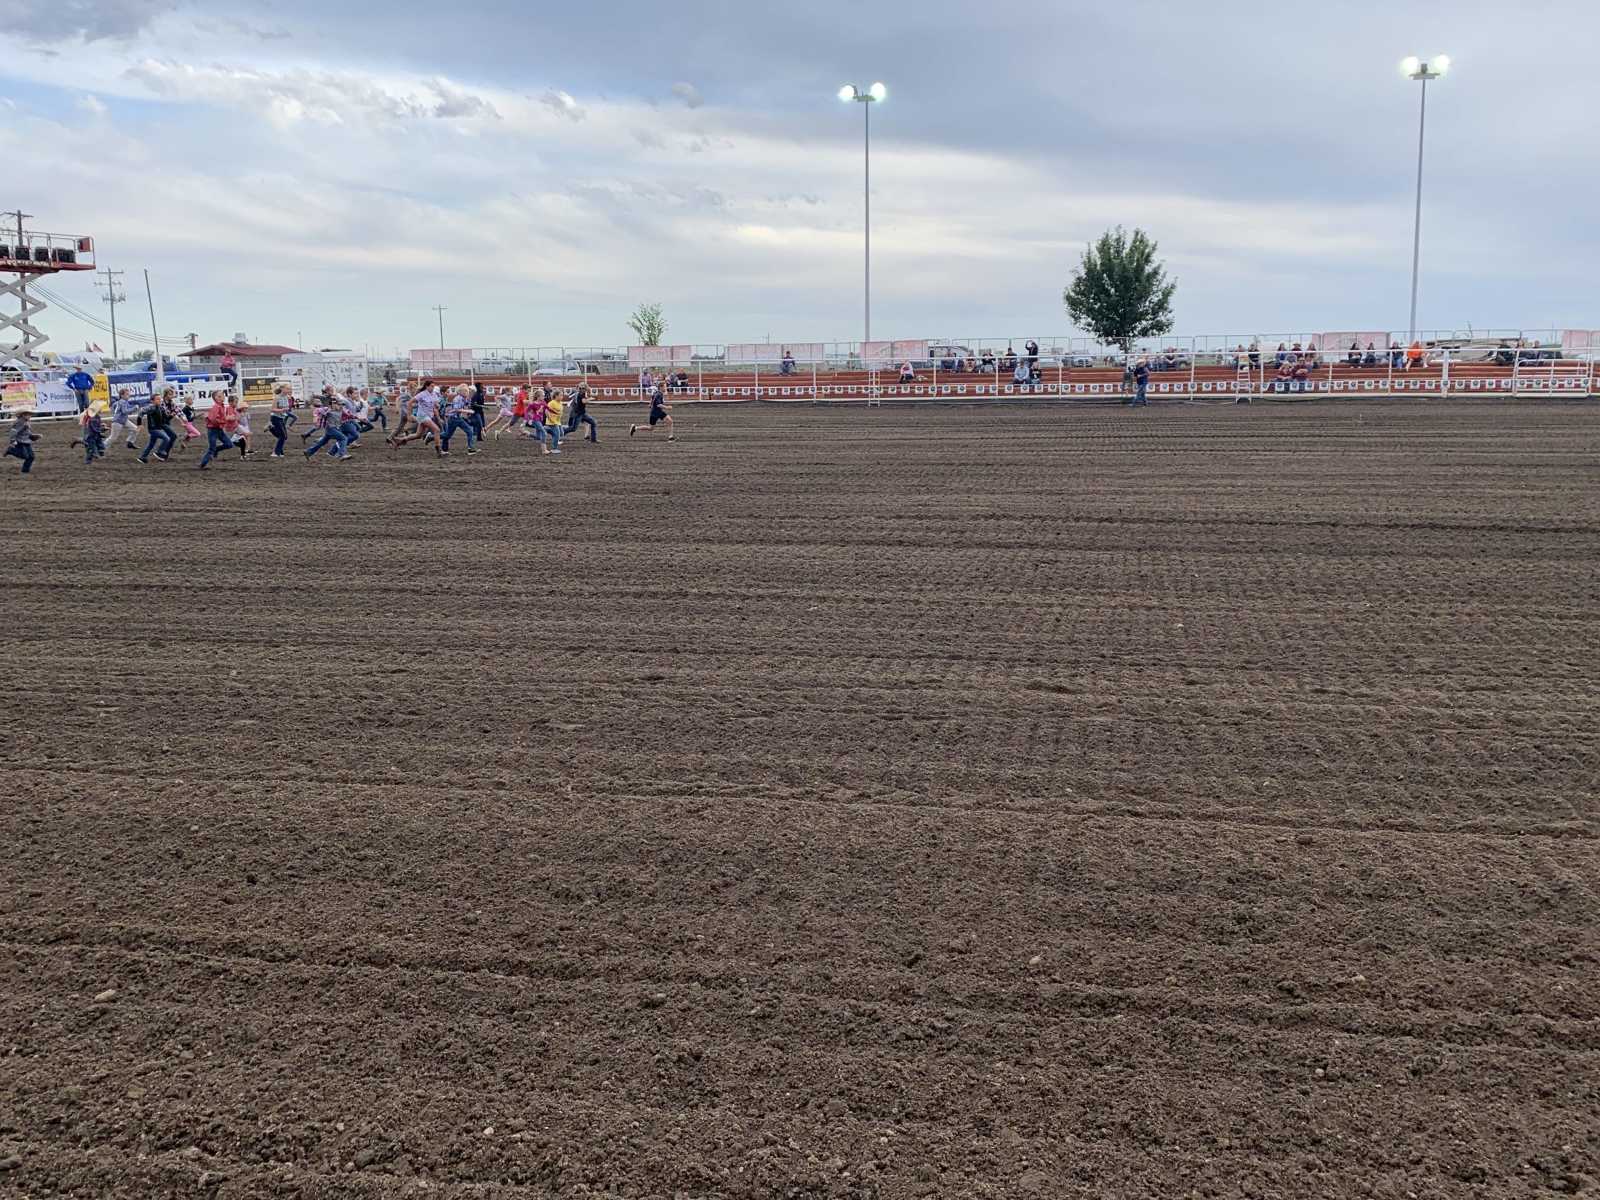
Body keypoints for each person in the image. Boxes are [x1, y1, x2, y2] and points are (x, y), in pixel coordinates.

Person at [197, 390, 235, 470]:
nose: (222, 397)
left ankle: (216, 450)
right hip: (213, 430)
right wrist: (226, 419)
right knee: (212, 448)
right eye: (219, 396)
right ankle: (202, 464)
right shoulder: (216, 407)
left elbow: (214, 418)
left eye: (222, 395)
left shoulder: (221, 406)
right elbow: (214, 420)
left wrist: (225, 419)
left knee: (229, 444)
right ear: (215, 398)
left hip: (218, 429)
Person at [439, 387, 479, 455]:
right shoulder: (458, 399)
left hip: (457, 418)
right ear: (461, 392)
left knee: (468, 431)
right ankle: (432, 436)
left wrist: (470, 405)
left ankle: (471, 448)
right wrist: (467, 411)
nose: (468, 393)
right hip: (454, 419)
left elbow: (467, 404)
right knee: (447, 435)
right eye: (466, 391)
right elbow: (456, 409)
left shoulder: (463, 398)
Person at [137, 395, 175, 462]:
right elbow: (141, 412)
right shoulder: (151, 407)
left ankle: (142, 457)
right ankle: (159, 451)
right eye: (157, 399)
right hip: (153, 429)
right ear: (152, 401)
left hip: (158, 428)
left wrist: (171, 416)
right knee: (167, 438)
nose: (160, 400)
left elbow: (165, 419)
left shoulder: (161, 408)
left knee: (151, 444)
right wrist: (139, 423)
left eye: (160, 399)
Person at [268, 385, 295, 458]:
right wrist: (282, 410)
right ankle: (276, 453)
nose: (289, 390)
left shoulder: (287, 397)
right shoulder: (277, 398)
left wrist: (286, 410)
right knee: (283, 436)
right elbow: (272, 409)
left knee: (283, 437)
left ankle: (271, 428)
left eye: (290, 389)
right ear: (282, 389)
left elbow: (287, 407)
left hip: (282, 418)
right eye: (287, 389)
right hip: (275, 417)